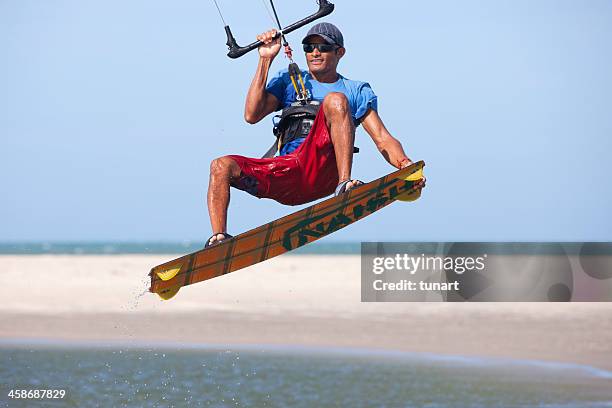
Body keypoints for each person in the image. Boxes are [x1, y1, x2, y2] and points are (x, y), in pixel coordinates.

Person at [206, 22, 424, 247]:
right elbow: (251, 115)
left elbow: (382, 137)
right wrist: (265, 59)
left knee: (336, 100)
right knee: (220, 166)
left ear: (340, 52)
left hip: (324, 173)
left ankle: (344, 185)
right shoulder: (289, 80)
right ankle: (219, 239)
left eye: (324, 47)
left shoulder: (355, 90)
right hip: (287, 174)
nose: (315, 52)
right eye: (309, 47)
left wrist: (406, 165)